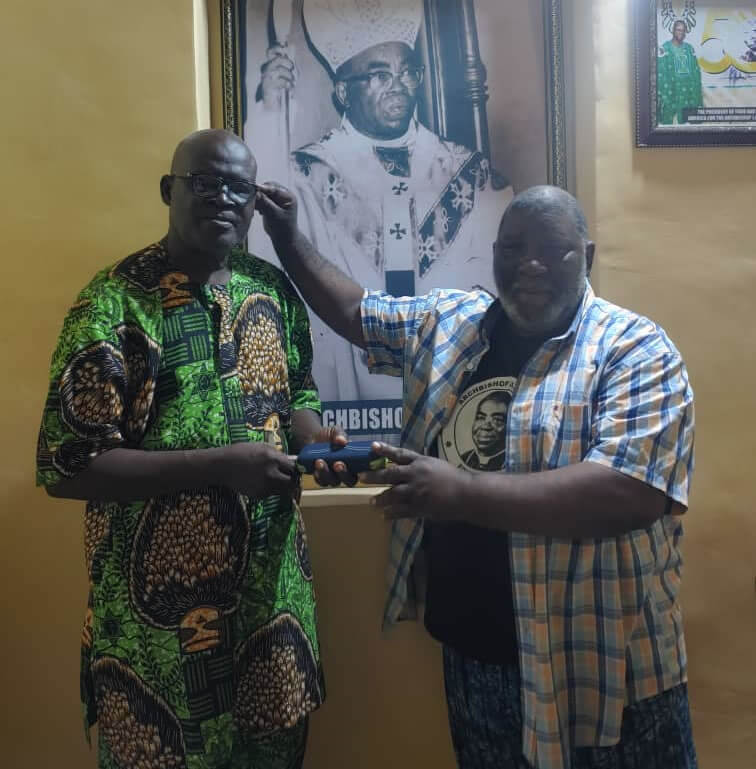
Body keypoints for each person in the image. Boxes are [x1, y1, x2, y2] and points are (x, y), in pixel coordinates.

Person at [255, 182, 697, 769]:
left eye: (552, 249)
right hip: (477, 661)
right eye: (513, 248)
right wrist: (286, 235)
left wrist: (459, 492)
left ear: (587, 256)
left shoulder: (634, 349)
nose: (530, 264)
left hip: (603, 665)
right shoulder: (452, 323)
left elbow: (630, 492)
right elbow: (355, 312)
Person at [35, 129, 349, 769]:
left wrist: (315, 439)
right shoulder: (113, 302)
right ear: (168, 190)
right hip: (155, 643)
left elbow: (298, 393)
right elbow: (69, 466)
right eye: (205, 182)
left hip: (269, 615)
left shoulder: (270, 288)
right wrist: (222, 466)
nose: (224, 198)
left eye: (239, 187)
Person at [251, 0, 513, 402]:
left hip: (447, 379)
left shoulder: (466, 171)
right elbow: (262, 243)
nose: (398, 84)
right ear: (343, 91)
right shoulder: (306, 174)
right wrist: (270, 109)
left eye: (407, 72)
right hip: (346, 384)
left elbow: (493, 285)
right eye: (379, 75)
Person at [658, 19, 703, 125]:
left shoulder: (689, 48)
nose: (681, 33)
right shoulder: (665, 48)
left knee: (689, 123)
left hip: (688, 91)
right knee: (670, 124)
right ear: (673, 30)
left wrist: (695, 88)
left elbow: (696, 71)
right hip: (672, 90)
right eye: (678, 30)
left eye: (683, 30)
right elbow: (661, 73)